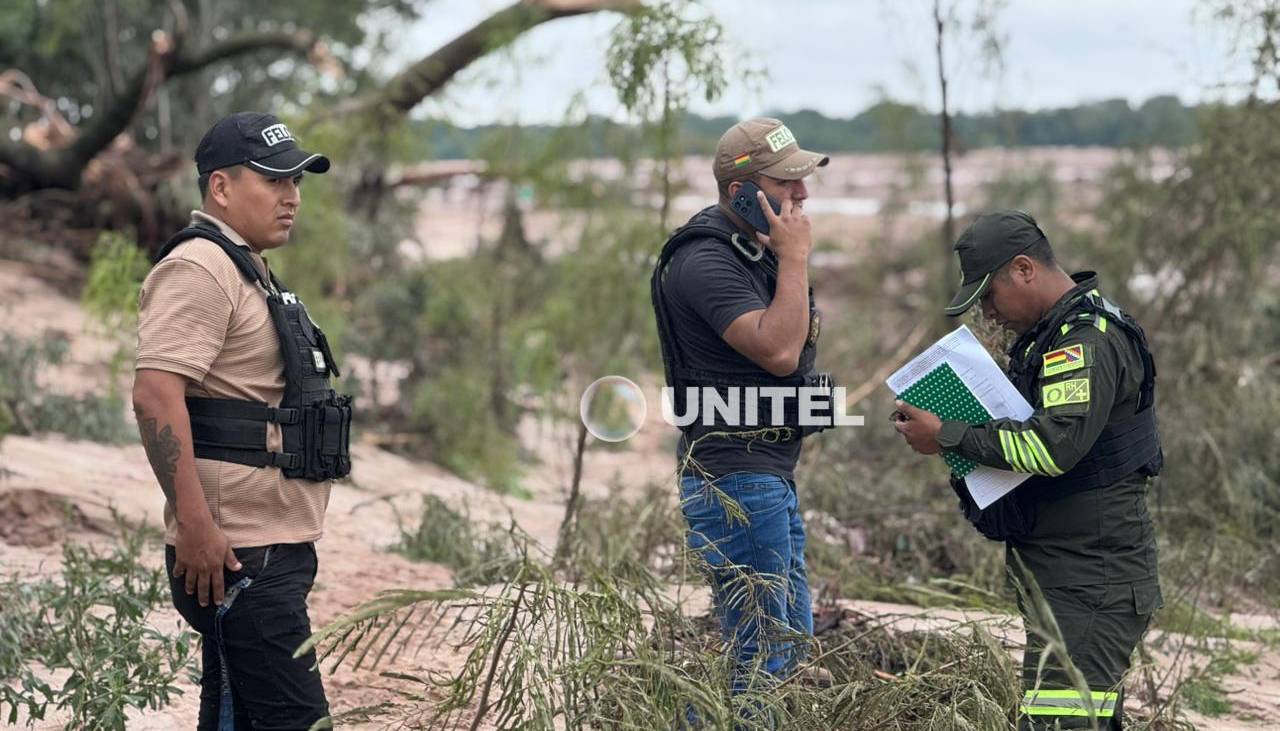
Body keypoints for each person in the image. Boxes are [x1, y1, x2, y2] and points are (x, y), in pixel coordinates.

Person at [893, 210, 1163, 730]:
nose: (989, 315)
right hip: (1072, 575)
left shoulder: (1086, 340)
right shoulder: (1052, 335)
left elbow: (1053, 447)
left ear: (1023, 269)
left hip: (1092, 579)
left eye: (989, 296)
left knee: (1060, 723)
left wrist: (947, 434)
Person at [132, 111, 351, 729]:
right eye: (274, 181)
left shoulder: (242, 264)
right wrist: (197, 529)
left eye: (297, 183)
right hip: (237, 557)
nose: (292, 197)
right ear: (221, 188)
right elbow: (154, 395)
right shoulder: (202, 268)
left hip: (262, 550)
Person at [649, 117, 833, 694]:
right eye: (786, 185)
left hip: (766, 478)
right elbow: (779, 351)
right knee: (764, 656)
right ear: (740, 193)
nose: (801, 196)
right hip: (735, 483)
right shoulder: (706, 261)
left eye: (801, 182)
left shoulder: (751, 252)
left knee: (789, 642)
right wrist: (797, 259)